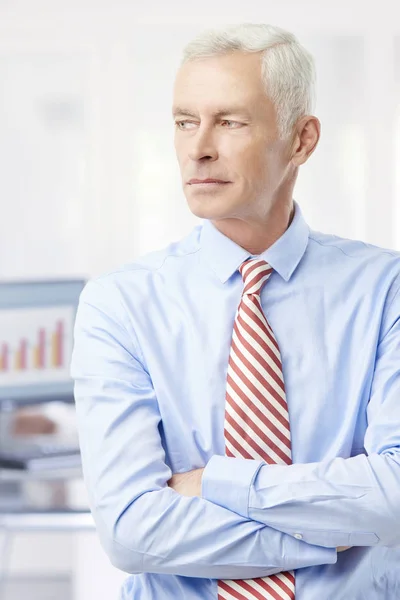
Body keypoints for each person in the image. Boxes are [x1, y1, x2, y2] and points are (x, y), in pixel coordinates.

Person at [70, 23, 400, 600]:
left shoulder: (385, 288)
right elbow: (130, 531)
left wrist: (220, 483)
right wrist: (334, 535)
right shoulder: (118, 303)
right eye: (183, 122)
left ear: (301, 140)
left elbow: (394, 496)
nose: (198, 147)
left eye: (230, 121)